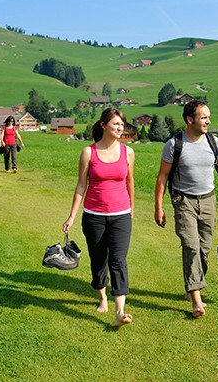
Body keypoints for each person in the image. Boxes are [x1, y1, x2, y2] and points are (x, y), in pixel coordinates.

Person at [154, 100, 218, 318]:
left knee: (204, 249)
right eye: (203, 117)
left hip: (209, 201)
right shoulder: (174, 144)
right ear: (189, 119)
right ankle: (196, 300)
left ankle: (193, 285)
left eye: (208, 117)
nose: (208, 121)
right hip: (184, 201)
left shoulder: (213, 142)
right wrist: (158, 207)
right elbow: (162, 177)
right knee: (191, 246)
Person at [63, 108, 135, 327]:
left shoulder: (128, 153)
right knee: (98, 260)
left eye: (122, 124)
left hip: (121, 215)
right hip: (94, 216)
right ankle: (102, 296)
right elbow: (81, 185)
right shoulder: (88, 152)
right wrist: (72, 216)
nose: (120, 128)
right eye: (115, 124)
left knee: (118, 260)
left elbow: (129, 182)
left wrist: (131, 209)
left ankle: (120, 311)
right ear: (103, 125)